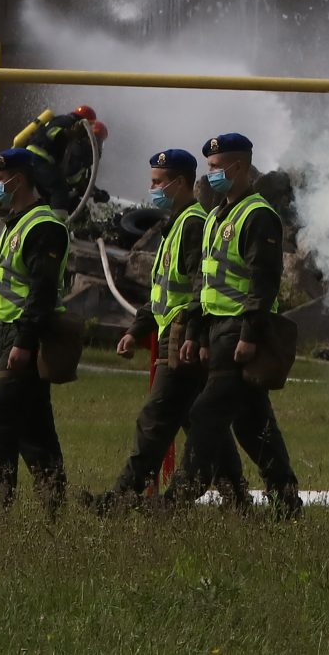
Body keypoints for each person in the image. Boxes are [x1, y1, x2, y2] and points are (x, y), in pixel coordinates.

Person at [176, 131, 302, 517]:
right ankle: (286, 501)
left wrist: (249, 335)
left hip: (238, 332)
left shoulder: (258, 215)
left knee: (205, 414)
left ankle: (180, 496)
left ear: (240, 167)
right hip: (216, 330)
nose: (210, 174)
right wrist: (196, 333)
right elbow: (205, 281)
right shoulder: (217, 215)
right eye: (209, 168)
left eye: (216, 167)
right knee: (252, 424)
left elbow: (263, 281)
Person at [90, 149, 212, 513]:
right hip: (166, 334)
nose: (152, 188)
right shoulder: (174, 223)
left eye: (158, 182)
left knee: (155, 420)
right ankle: (238, 499)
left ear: (180, 182)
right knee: (201, 426)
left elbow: (197, 286)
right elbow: (160, 289)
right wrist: (136, 328)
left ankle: (119, 500)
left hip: (180, 339)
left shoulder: (191, 223)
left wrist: (190, 333)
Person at [0, 147, 70, 512]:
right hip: (5, 335)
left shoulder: (43, 226)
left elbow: (42, 290)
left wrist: (24, 342)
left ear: (20, 179)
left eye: (1, 179)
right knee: (34, 429)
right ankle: (55, 505)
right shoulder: (12, 224)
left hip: (25, 337)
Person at [15, 104, 106, 211]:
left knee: (50, 197)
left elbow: (74, 178)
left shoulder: (66, 125)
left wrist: (95, 192)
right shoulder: (67, 122)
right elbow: (52, 134)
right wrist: (69, 134)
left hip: (34, 159)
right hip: (38, 158)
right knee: (59, 189)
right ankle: (57, 225)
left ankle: (46, 222)